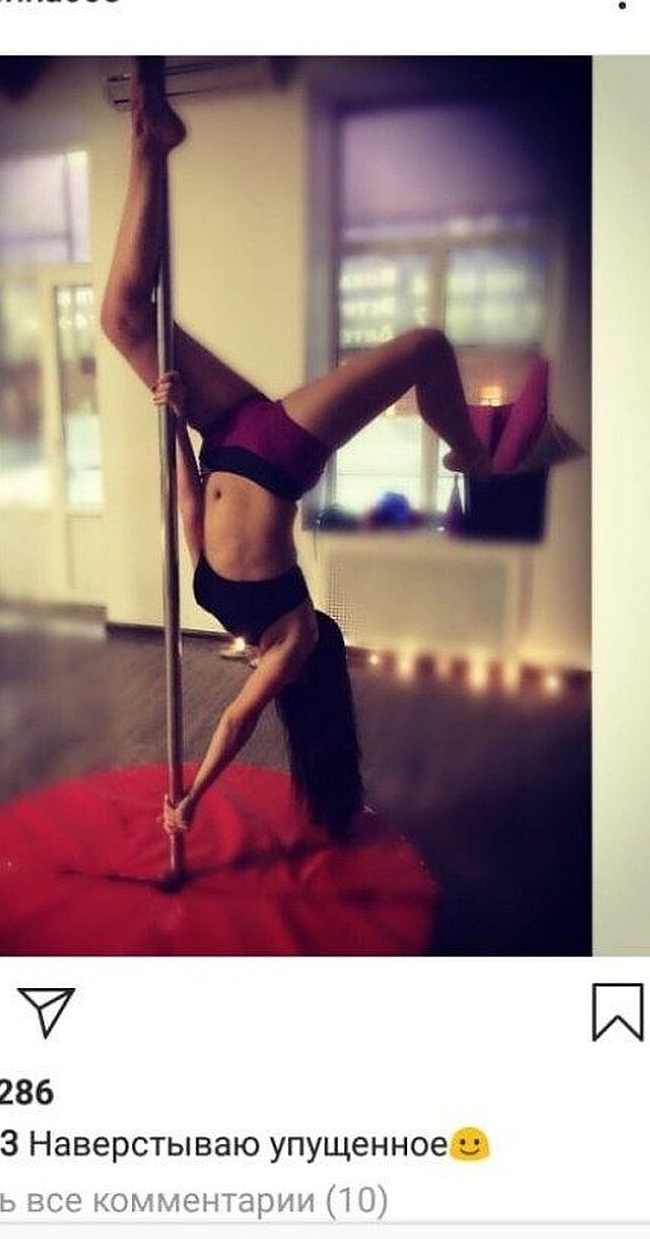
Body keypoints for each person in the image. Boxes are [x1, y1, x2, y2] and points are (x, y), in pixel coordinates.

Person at [100, 59, 490, 842]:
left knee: (122, 318)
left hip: (220, 435)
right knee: (424, 346)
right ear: (302, 677)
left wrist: (170, 416)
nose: (265, 675)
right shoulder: (298, 634)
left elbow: (189, 504)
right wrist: (194, 800)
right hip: (276, 450)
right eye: (277, 679)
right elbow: (238, 720)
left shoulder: (220, 605)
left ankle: (150, 141)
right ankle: (469, 452)